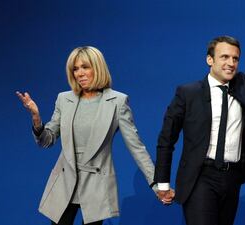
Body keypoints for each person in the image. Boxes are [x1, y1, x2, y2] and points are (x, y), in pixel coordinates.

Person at [154, 0, 245, 225]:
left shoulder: (243, 86)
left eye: (235, 58)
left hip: (232, 177)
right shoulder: (188, 92)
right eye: (224, 57)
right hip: (200, 176)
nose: (231, 63)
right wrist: (162, 183)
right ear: (209, 60)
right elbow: (167, 139)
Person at [16, 46, 165, 225]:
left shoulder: (117, 101)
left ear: (97, 67)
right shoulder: (64, 99)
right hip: (65, 181)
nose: (79, 73)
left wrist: (157, 185)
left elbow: (136, 147)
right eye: (75, 69)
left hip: (96, 182)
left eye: (85, 67)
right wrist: (36, 118)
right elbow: (46, 141)